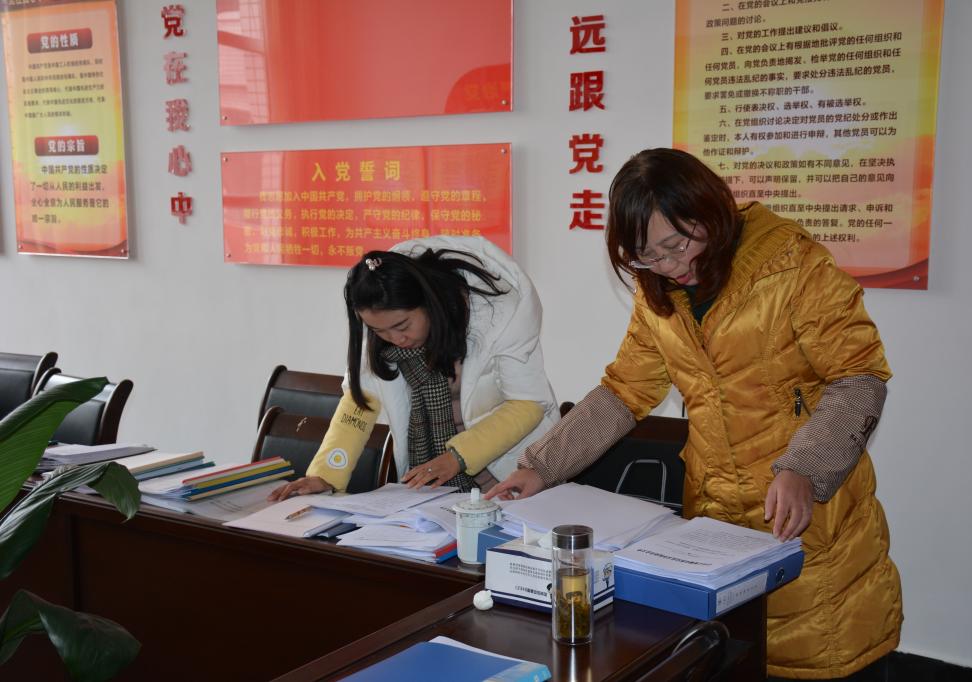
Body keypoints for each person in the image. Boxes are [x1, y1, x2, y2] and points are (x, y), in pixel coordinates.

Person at [487, 149, 902, 681]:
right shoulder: (659, 295)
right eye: (647, 256)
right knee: (727, 656)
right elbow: (624, 391)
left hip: (808, 513)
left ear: (712, 212)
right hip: (714, 522)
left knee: (818, 649)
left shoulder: (793, 266)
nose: (669, 266)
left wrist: (805, 468)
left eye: (677, 245)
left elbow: (859, 376)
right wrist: (541, 466)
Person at [270, 235, 559, 499]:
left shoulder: (498, 316)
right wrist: (324, 475)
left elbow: (527, 404)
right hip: (433, 485)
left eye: (402, 326)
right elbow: (361, 401)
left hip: (509, 474)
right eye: (379, 331)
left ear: (429, 303)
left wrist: (458, 457)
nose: (395, 339)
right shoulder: (383, 319)